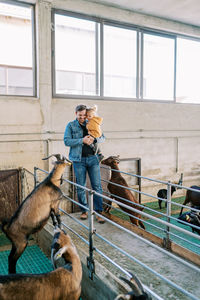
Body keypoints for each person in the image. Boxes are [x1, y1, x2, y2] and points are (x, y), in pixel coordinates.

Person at [64, 104, 105, 224]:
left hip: (93, 159)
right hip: (78, 160)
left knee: (97, 186)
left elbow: (103, 137)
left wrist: (95, 139)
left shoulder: (92, 122)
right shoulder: (71, 125)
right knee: (81, 187)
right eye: (80, 115)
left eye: (84, 115)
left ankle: (98, 212)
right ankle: (84, 210)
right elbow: (66, 141)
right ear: (76, 114)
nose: (83, 117)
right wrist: (82, 140)